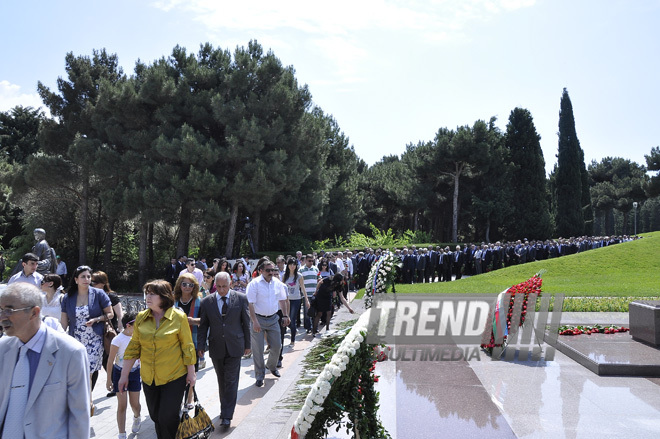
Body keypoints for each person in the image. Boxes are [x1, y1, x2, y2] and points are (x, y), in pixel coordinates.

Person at [0, 282, 91, 438]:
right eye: (0, 310)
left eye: (9, 310)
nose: (2, 317)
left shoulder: (71, 352)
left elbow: (79, 415)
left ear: (34, 313)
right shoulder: (3, 349)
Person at [119, 279, 197, 439]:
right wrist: (124, 375)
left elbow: (187, 346)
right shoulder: (141, 317)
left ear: (164, 296)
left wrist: (191, 373)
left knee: (167, 416)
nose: (148, 297)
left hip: (174, 376)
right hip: (149, 377)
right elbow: (134, 347)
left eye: (152, 293)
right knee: (156, 417)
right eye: (147, 293)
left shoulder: (178, 317)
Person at [197, 272, 251, 430]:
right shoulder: (207, 302)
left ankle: (227, 416)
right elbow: (204, 325)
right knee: (222, 380)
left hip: (235, 345)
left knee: (231, 380)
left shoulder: (241, 298)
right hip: (216, 346)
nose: (221, 290)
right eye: (219, 287)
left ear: (230, 284)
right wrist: (201, 345)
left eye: (224, 287)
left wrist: (248, 345)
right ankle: (224, 408)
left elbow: (245, 322)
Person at [61, 265, 114, 415]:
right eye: (83, 277)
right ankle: (85, 402)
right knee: (78, 372)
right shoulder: (68, 297)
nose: (87, 279)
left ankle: (87, 402)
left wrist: (97, 319)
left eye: (89, 277)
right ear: (76, 279)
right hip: (75, 339)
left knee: (88, 372)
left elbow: (110, 314)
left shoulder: (98, 294)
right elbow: (64, 323)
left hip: (94, 339)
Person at [246, 260, 289, 387]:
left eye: (273, 270)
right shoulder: (254, 284)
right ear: (260, 271)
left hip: (273, 318)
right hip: (258, 319)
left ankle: (271, 365)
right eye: (268, 270)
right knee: (258, 349)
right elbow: (250, 304)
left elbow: (282, 300)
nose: (271, 272)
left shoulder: (277, 283)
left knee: (277, 346)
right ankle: (259, 375)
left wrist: (285, 315)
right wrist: (254, 321)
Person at [106, 311, 142, 439]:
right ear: (129, 325)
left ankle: (137, 417)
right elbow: (110, 361)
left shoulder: (139, 337)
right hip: (119, 373)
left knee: (135, 404)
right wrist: (108, 380)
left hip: (135, 373)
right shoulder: (118, 340)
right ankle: (122, 433)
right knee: (122, 405)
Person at [92, 270, 124, 397]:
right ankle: (115, 384)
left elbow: (120, 313)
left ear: (103, 283)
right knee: (102, 360)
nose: (91, 284)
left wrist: (120, 327)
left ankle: (117, 384)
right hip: (95, 332)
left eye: (94, 282)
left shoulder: (111, 296)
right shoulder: (91, 295)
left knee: (109, 358)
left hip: (109, 332)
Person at [174, 273, 203, 400]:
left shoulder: (199, 301)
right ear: (179, 285)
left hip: (193, 341)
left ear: (194, 286)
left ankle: (189, 398)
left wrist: (193, 321)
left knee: (192, 372)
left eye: (190, 285)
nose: (187, 287)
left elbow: (206, 320)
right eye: (184, 284)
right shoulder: (173, 301)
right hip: (175, 342)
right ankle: (178, 397)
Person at [281, 257, 309, 348]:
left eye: (294, 264)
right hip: (286, 300)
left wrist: (306, 300)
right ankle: (293, 330)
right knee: (286, 319)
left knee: (292, 319)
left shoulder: (299, 276)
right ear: (287, 265)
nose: (292, 266)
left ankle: (292, 341)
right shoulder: (284, 276)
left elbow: (303, 288)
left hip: (296, 299)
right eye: (290, 264)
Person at [299, 254, 319, 334]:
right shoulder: (301, 270)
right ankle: (308, 327)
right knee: (307, 312)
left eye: (312, 261)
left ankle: (315, 327)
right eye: (309, 261)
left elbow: (319, 279)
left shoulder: (316, 269)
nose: (311, 262)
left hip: (314, 294)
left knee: (315, 312)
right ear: (305, 261)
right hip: (306, 294)